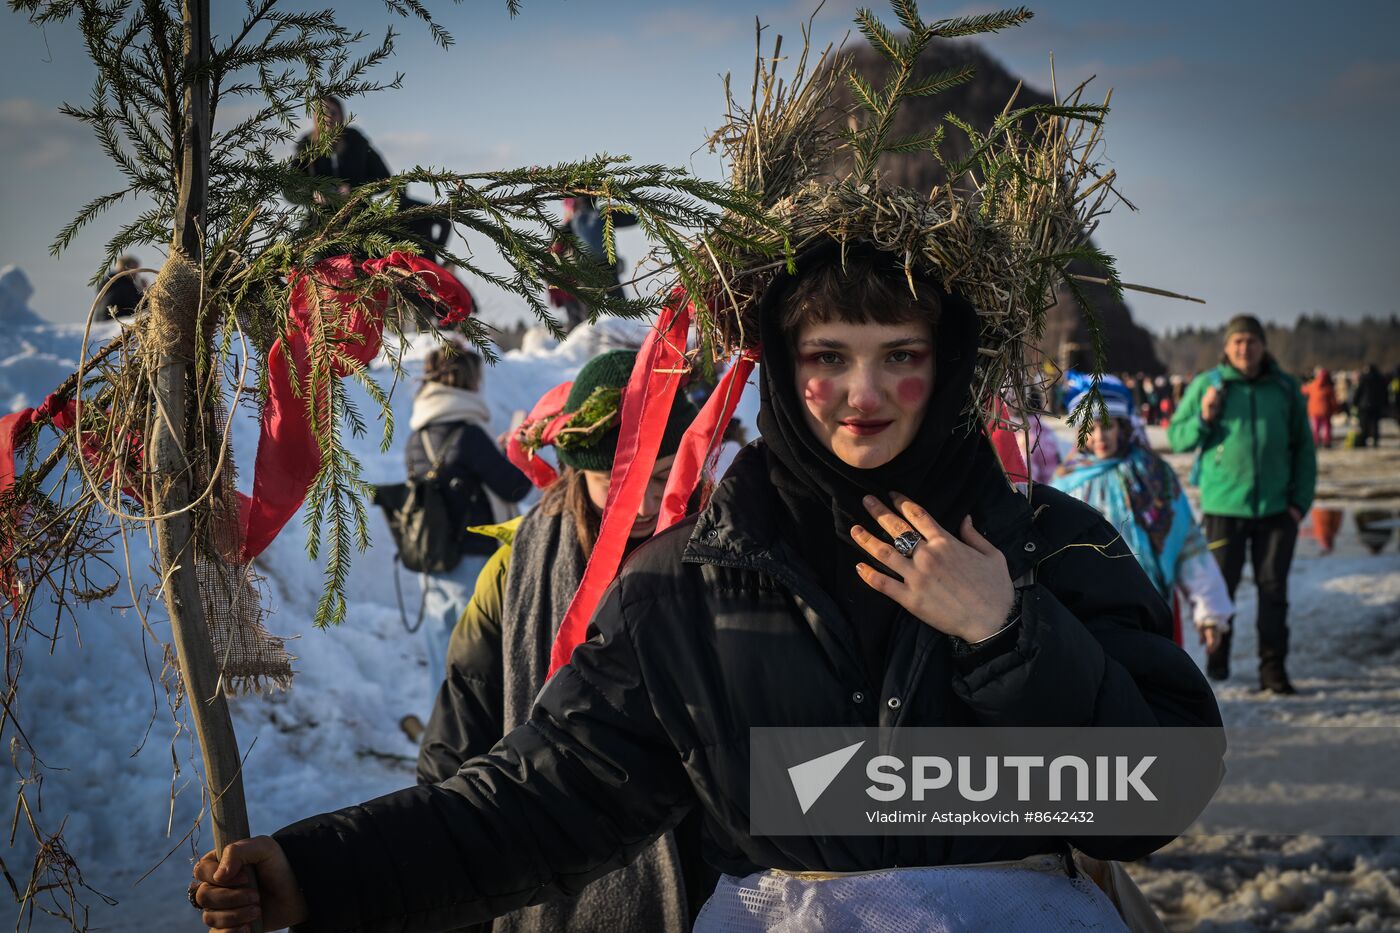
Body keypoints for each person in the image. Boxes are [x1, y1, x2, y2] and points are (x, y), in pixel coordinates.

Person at [193, 245, 1222, 932]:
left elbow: (1159, 788)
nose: (861, 396)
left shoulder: (1049, 549)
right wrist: (316, 873)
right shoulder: (686, 587)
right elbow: (547, 797)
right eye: (826, 357)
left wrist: (1003, 636)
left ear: (945, 367)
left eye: (898, 357)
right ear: (779, 366)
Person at [416, 348, 706, 933]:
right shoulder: (515, 571)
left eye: (662, 477)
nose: (645, 505)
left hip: (706, 880)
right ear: (578, 473)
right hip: (539, 860)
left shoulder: (728, 556)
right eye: (616, 483)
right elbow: (461, 734)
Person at [1168, 314, 1316, 693]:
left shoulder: (1284, 388)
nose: (1244, 348)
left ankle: (1273, 671)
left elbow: (1304, 448)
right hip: (1223, 508)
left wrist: (1299, 502)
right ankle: (1218, 661)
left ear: (1263, 345)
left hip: (1278, 511)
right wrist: (1204, 415)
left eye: (1251, 341)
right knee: (1221, 589)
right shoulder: (1208, 385)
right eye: (1237, 342)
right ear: (1226, 348)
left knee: (1274, 594)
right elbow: (1178, 437)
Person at [1053, 379, 1232, 651]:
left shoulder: (1154, 474)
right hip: (1092, 616)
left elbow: (1186, 541)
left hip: (1153, 604)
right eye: (1091, 428)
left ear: (1123, 427)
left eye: (1108, 426)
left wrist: (1210, 610)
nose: (1100, 436)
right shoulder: (1066, 485)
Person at [407, 344, 531, 690]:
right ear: (469, 381)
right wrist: (517, 452)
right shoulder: (469, 435)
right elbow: (516, 488)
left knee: (442, 651)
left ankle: (443, 729)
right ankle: (482, 732)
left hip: (432, 560)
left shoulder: (416, 437)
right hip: (475, 562)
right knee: (480, 652)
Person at [290, 96, 392, 211]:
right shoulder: (306, 147)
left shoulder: (356, 142)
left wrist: (353, 188)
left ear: (341, 116)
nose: (328, 117)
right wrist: (312, 193)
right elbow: (290, 188)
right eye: (322, 113)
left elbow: (385, 179)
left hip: (358, 218)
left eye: (333, 113)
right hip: (321, 223)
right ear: (315, 117)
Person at [1301, 367, 1339, 449]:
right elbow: (1333, 401)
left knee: (1315, 428)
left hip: (1314, 411)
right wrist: (1336, 409)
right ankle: (1327, 442)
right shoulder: (1329, 388)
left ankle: (1315, 442)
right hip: (1326, 410)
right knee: (1327, 427)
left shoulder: (1313, 385)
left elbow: (1304, 390)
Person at [1352, 363, 1388, 448]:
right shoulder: (1380, 379)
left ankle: (1363, 440)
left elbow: (1359, 391)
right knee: (1375, 424)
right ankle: (1375, 440)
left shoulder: (1364, 378)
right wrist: (1385, 404)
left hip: (1364, 405)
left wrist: (1355, 402)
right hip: (1376, 405)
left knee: (1364, 424)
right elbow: (1384, 392)